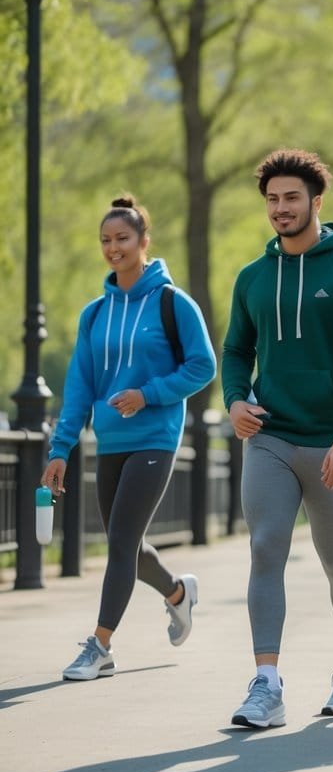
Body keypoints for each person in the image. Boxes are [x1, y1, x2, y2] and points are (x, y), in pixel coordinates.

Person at [222, 149, 333, 728]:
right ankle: (266, 683)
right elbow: (238, 350)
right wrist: (236, 399)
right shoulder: (253, 277)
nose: (280, 209)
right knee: (266, 548)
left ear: (316, 202)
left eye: (291, 198)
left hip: (331, 443)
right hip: (270, 435)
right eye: (272, 199)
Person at [45, 195, 216, 681]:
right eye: (105, 240)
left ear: (144, 242)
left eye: (122, 239)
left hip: (155, 437)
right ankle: (179, 593)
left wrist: (148, 394)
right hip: (112, 440)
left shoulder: (172, 302)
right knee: (129, 545)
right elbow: (80, 385)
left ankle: (99, 646)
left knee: (120, 540)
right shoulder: (94, 314)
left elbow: (203, 366)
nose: (113, 248)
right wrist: (61, 448)